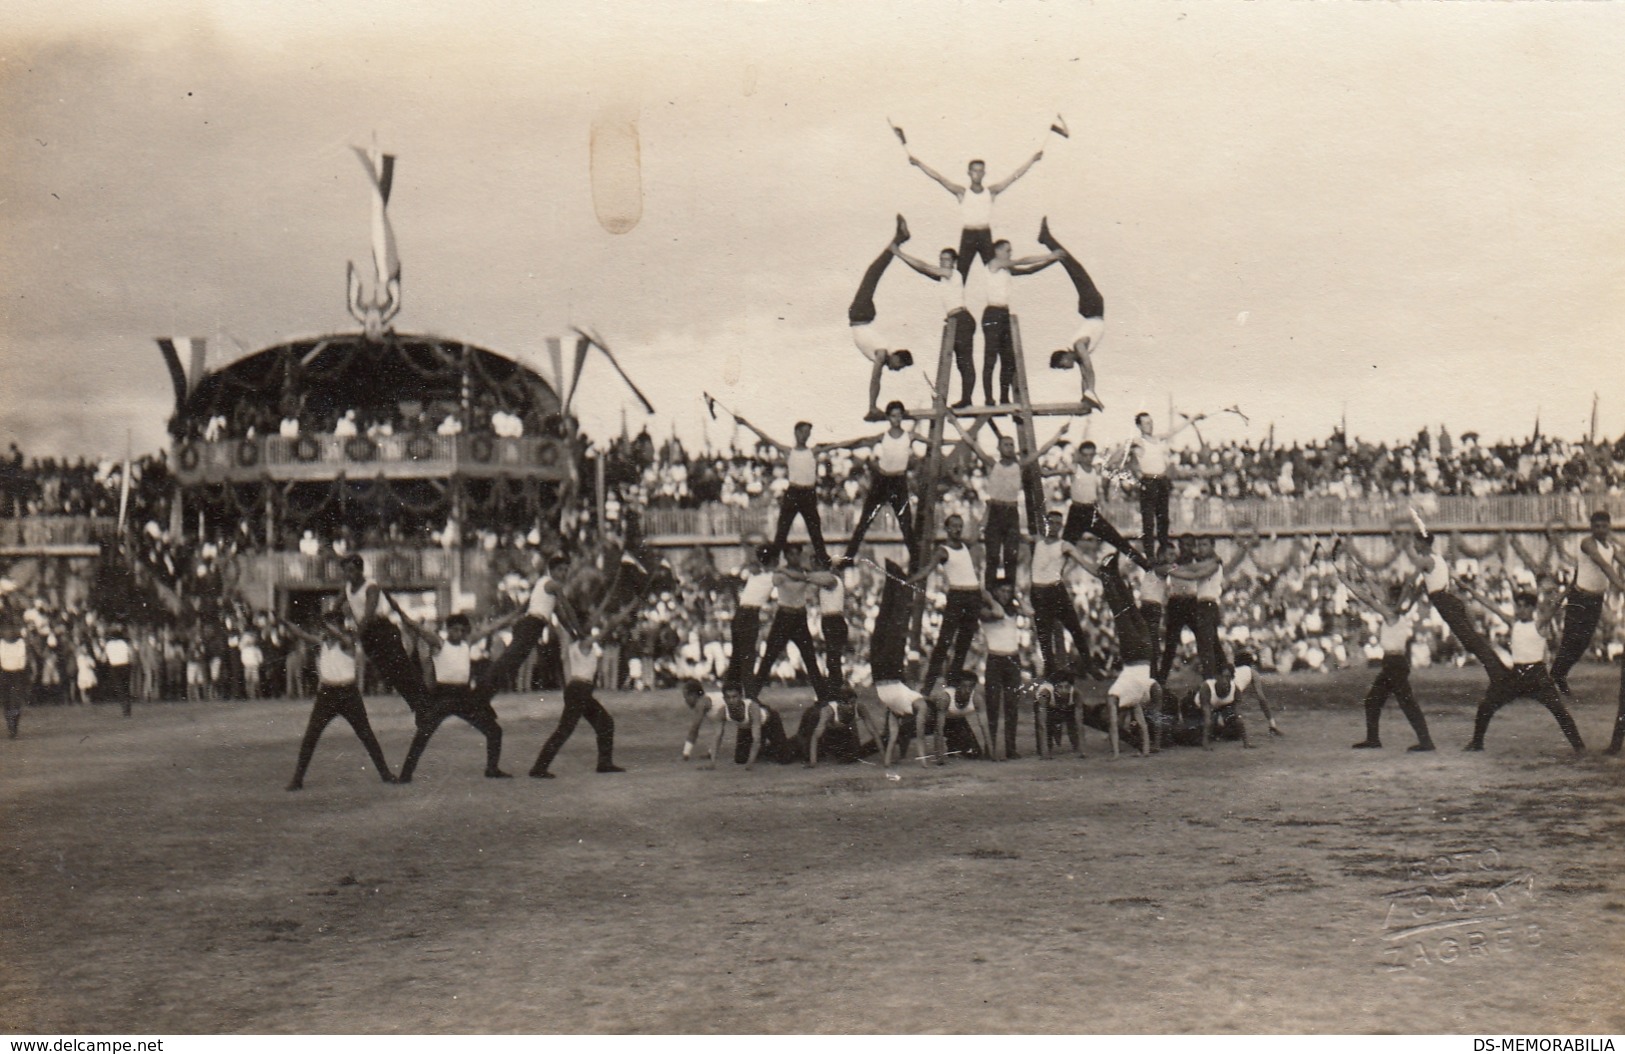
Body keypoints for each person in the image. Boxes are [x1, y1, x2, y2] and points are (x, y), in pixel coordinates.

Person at [395, 608, 526, 782]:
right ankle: (405, 775)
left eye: (462, 630)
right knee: (423, 733)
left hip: (464, 696)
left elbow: (494, 626)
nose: (459, 633)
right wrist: (398, 610)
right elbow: (417, 628)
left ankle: (492, 769)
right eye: (455, 630)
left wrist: (517, 611)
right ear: (448, 630)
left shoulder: (467, 643)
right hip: (443, 695)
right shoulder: (440, 643)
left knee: (494, 730)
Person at [945, 416, 1069, 587]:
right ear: (999, 447)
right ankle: (989, 592)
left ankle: (1009, 594)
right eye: (1006, 445)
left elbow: (1041, 451)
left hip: (1011, 513)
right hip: (994, 512)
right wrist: (955, 423)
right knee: (993, 556)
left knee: (1011, 556)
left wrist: (1059, 434)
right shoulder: (992, 463)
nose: (1010, 448)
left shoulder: (1020, 465)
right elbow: (972, 444)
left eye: (1012, 445)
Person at [280, 611, 396, 791]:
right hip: (327, 694)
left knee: (366, 735)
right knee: (311, 736)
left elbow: (340, 636)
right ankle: (297, 779)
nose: (327, 629)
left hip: (349, 693)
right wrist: (286, 623)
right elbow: (301, 634)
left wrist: (326, 626)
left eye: (331, 624)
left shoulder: (348, 642)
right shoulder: (323, 642)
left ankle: (386, 773)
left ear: (340, 625)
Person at [1462, 586, 1585, 754]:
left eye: (1522, 606)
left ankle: (1579, 747)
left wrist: (1570, 589)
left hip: (1537, 675)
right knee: (1486, 706)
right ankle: (1477, 743)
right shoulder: (1514, 622)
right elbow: (1491, 605)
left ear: (1531, 607)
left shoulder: (1540, 623)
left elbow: (1554, 605)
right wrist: (1470, 589)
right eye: (1517, 606)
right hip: (1517, 675)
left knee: (1559, 711)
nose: (1519, 610)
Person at [733, 416, 859, 567]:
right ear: (796, 433)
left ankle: (823, 561)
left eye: (808, 433)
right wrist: (745, 423)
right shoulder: (788, 451)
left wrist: (860, 441)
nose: (806, 435)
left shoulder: (814, 451)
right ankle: (773, 562)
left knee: (815, 530)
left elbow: (839, 445)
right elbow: (765, 437)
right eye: (803, 432)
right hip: (793, 493)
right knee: (782, 530)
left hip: (809, 494)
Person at [906, 151, 1045, 278]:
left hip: (985, 235)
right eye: (974, 171)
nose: (977, 174)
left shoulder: (991, 191)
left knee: (996, 269)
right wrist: (918, 163)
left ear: (984, 173)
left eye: (980, 171)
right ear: (969, 173)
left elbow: (1014, 176)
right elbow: (939, 178)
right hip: (969, 235)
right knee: (961, 273)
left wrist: (1032, 160)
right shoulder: (962, 192)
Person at [1340, 575, 1434, 751]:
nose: (1385, 598)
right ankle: (1373, 739)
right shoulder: (1400, 611)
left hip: (1394, 664)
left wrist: (1348, 582)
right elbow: (1378, 594)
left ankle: (1426, 741)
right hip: (1393, 663)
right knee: (1373, 701)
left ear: (1393, 599)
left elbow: (1368, 598)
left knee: (1406, 703)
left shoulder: (1391, 613)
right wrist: (1363, 575)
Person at [477, 553, 581, 699]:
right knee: (508, 661)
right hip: (531, 625)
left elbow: (560, 615)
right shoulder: (553, 584)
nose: (563, 574)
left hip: (530, 626)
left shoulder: (543, 586)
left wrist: (573, 632)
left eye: (565, 570)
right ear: (551, 571)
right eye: (560, 570)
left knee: (511, 663)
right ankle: (480, 690)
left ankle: (485, 693)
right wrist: (580, 631)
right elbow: (568, 609)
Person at [912, 514, 994, 698]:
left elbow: (975, 535)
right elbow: (927, 570)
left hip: (974, 596)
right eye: (954, 526)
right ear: (947, 528)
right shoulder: (943, 551)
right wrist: (911, 579)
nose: (958, 529)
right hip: (957, 596)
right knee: (944, 642)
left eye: (960, 525)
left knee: (964, 643)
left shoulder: (964, 544)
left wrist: (986, 514)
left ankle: (952, 684)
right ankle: (927, 686)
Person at [531, 621, 624, 778]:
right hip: (580, 690)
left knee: (605, 723)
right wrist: (627, 609)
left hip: (579, 690)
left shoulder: (579, 645)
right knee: (566, 729)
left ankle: (604, 763)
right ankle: (539, 767)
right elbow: (606, 629)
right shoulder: (584, 644)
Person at [980, 240, 1066, 406]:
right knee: (991, 358)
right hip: (992, 313)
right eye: (1007, 250)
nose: (1010, 253)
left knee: (1008, 358)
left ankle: (1004, 397)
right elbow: (1021, 261)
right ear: (997, 251)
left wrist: (1052, 261)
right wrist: (1049, 254)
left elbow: (1029, 270)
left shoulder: (1005, 269)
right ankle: (989, 398)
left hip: (1004, 313)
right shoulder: (994, 263)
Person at [341, 554, 430, 713]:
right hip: (368, 635)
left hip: (382, 629)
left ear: (360, 570)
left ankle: (426, 702)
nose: (348, 575)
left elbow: (368, 614)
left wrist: (355, 636)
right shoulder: (348, 587)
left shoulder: (371, 587)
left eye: (351, 570)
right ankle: (418, 706)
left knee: (403, 667)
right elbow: (336, 606)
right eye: (346, 571)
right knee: (389, 674)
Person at [1034, 217, 1107, 409]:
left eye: (1062, 366)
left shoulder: (1078, 346)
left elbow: (1089, 370)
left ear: (1064, 358)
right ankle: (1047, 239)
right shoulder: (1078, 353)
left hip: (1093, 308)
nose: (1065, 369)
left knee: (1074, 267)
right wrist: (1087, 397)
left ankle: (1047, 239)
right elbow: (1085, 374)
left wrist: (1092, 393)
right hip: (1091, 310)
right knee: (1074, 267)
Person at [892, 242, 975, 408]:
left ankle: (967, 399)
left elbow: (924, 266)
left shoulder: (953, 273)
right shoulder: (945, 277)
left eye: (947, 259)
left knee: (964, 361)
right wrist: (903, 258)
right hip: (954, 320)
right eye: (941, 259)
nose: (943, 263)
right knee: (958, 361)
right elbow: (921, 269)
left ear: (953, 262)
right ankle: (963, 398)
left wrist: (900, 253)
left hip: (961, 319)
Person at [848, 217, 917, 418]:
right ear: (896, 357)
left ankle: (898, 238)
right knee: (873, 273)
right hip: (860, 315)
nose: (896, 370)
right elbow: (875, 379)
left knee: (873, 273)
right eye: (899, 366)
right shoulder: (881, 353)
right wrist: (872, 406)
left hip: (862, 316)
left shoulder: (882, 352)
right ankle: (899, 238)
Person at [841, 402, 922, 566]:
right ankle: (848, 558)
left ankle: (916, 560)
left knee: (905, 523)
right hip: (882, 481)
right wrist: (835, 445)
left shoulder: (910, 436)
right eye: (893, 416)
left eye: (899, 415)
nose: (897, 419)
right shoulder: (883, 436)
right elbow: (860, 442)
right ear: (888, 417)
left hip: (899, 482)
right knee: (865, 520)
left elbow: (935, 442)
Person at [1092, 551, 1156, 758]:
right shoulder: (1115, 695)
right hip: (1133, 654)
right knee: (1121, 609)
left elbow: (1140, 727)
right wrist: (1116, 754)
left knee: (1128, 606)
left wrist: (1144, 751)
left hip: (1146, 653)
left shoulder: (1133, 698)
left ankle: (1111, 573)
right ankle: (1108, 574)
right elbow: (1113, 725)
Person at [1551, 511, 1623, 696]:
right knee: (1570, 639)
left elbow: (1622, 561)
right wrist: (1622, 586)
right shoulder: (1587, 543)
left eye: (1604, 526)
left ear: (1609, 527)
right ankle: (1552, 678)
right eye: (1596, 526)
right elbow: (1604, 566)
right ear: (1591, 527)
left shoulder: (1612, 547)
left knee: (1582, 643)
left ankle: (1558, 674)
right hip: (1579, 597)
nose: (1600, 529)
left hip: (1596, 599)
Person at [1045, 439, 1145, 567]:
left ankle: (1146, 566)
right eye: (1085, 455)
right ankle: (1050, 575)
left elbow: (1112, 461)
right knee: (1065, 549)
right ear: (1080, 455)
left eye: (1090, 455)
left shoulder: (1095, 469)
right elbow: (1057, 472)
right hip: (1076, 513)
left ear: (1093, 455)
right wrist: (1046, 473)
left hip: (1091, 513)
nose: (1088, 458)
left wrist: (1126, 445)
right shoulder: (1075, 467)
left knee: (1118, 541)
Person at [751, 545, 830, 700]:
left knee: (810, 659)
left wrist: (786, 571)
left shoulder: (801, 572)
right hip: (784, 617)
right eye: (791, 554)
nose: (795, 557)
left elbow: (820, 577)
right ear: (786, 557)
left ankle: (823, 698)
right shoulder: (780, 573)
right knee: (769, 657)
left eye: (797, 554)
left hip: (800, 617)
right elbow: (769, 579)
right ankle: (752, 696)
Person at [1028, 510, 1096, 680]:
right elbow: (1017, 536)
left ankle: (1089, 665)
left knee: (1075, 627)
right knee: (1044, 634)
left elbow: (1084, 563)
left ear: (1061, 526)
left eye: (1058, 523)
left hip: (1055, 590)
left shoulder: (1064, 545)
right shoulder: (1037, 541)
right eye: (1051, 522)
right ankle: (1050, 671)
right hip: (1038, 592)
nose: (1054, 526)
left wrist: (1101, 574)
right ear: (1046, 523)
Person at [1126, 411, 1203, 562]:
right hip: (1148, 482)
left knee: (1164, 519)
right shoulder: (1138, 441)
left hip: (1162, 481)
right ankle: (1149, 555)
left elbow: (1173, 431)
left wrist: (1192, 418)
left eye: (1151, 422)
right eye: (1146, 423)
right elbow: (1124, 455)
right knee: (1148, 521)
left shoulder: (1158, 438)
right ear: (1139, 426)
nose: (1150, 425)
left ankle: (1163, 552)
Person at [981, 580, 1024, 760]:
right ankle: (990, 749)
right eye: (1002, 590)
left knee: (1012, 705)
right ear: (994, 592)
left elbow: (1030, 610)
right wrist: (992, 600)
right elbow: (996, 613)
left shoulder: (1013, 609)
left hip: (1013, 660)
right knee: (993, 705)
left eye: (1009, 591)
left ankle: (1010, 748)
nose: (1006, 594)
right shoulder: (986, 610)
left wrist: (1019, 597)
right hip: (995, 659)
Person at [680, 680, 765, 770]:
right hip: (744, 723)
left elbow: (694, 729)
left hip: (759, 717)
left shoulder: (702, 704)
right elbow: (717, 733)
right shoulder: (714, 706)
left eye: (686, 697)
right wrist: (711, 755)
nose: (685, 701)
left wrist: (686, 754)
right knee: (740, 759)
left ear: (693, 695)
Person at [727, 545, 776, 694]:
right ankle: (735, 690)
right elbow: (735, 573)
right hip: (743, 613)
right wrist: (751, 563)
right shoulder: (754, 572)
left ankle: (743, 691)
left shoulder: (774, 575)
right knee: (741, 654)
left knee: (745, 654)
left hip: (749, 614)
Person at [808, 560, 850, 690]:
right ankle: (836, 685)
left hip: (834, 620)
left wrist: (803, 575)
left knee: (833, 658)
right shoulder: (825, 582)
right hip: (828, 620)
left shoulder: (833, 580)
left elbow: (821, 579)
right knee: (832, 657)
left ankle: (836, 687)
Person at [1191, 666, 1253, 750]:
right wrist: (1206, 745)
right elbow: (1207, 717)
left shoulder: (1235, 690)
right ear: (1216, 677)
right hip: (1197, 708)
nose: (1224, 680)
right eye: (1221, 677)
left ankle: (1217, 729)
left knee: (1235, 730)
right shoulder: (1207, 687)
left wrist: (1246, 743)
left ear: (1232, 678)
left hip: (1218, 708)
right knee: (1194, 734)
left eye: (1228, 677)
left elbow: (1239, 716)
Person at [1230, 648, 1283, 737]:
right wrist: (1271, 722)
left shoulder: (1233, 670)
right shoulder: (1252, 672)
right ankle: (1272, 726)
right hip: (1234, 695)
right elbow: (1261, 698)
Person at [0, 614, 33, 739]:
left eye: (11, 629)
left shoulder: (20, 643)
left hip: (18, 675)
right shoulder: (1, 644)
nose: (8, 632)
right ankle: (10, 725)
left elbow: (23, 661)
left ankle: (14, 726)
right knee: (6, 703)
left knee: (15, 702)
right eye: (6, 630)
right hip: (4, 675)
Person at [102, 624, 133, 717]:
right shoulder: (124, 643)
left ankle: (124, 707)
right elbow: (130, 654)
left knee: (120, 688)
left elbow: (104, 657)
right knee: (126, 687)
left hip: (115, 667)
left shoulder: (109, 645)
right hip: (125, 665)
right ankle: (128, 707)